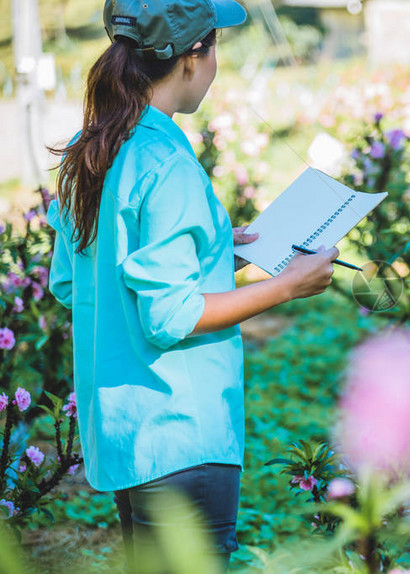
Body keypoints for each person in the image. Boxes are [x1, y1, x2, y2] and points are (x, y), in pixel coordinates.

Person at [45, 1, 339, 571]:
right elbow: (169, 316)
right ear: (191, 57)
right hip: (182, 434)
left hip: (126, 433)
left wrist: (209, 254)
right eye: (216, 47)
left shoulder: (95, 146)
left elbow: (73, 281)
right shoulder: (167, 161)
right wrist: (287, 286)